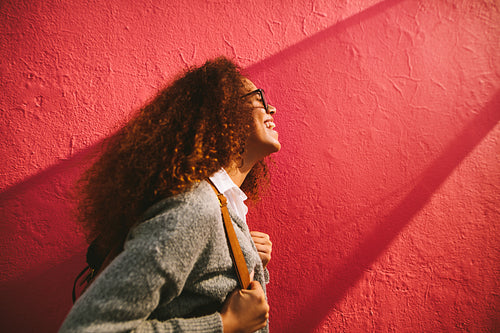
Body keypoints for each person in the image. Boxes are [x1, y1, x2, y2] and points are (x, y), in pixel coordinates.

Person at [59, 56, 281, 333]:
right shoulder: (195, 207)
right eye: (257, 97)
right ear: (222, 113)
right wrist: (224, 324)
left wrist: (246, 259)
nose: (270, 107)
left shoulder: (220, 205)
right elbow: (87, 329)